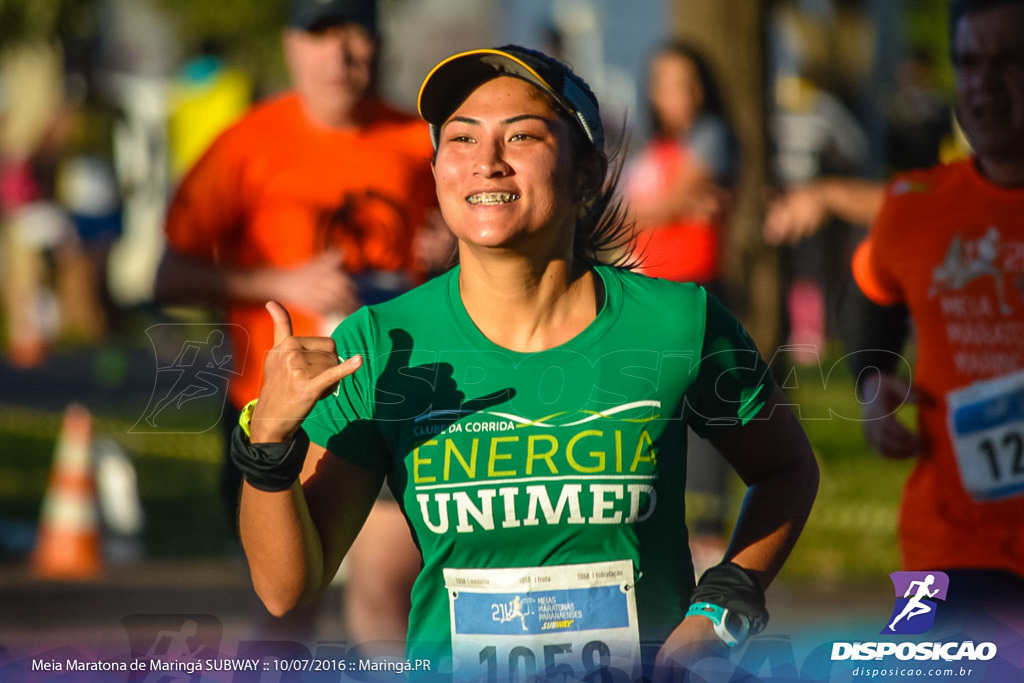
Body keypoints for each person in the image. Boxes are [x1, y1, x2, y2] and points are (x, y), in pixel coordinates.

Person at [233, 44, 819, 680]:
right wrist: (269, 441)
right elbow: (288, 588)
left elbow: (786, 470)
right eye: (460, 139)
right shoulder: (381, 346)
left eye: (522, 137)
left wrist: (722, 608)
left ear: (587, 175)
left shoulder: (678, 322)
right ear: (435, 171)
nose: (486, 162)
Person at [153, 0, 435, 650]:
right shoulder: (247, 143)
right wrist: (278, 282)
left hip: (390, 400)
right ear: (291, 48)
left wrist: (449, 253)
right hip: (276, 406)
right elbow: (168, 275)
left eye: (355, 34)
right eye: (321, 35)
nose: (340, 54)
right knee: (287, 607)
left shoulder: (421, 141)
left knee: (385, 590)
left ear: (378, 45)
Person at [842, 0, 1024, 628]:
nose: (984, 84)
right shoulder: (915, 207)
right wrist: (873, 391)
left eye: (1008, 62)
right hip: (951, 545)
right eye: (969, 63)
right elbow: (869, 311)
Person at [623, 40, 740, 576]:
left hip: (696, 290)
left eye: (688, 83)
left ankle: (712, 537)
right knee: (651, 412)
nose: (679, 95)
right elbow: (621, 214)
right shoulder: (651, 151)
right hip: (645, 291)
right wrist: (656, 212)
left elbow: (636, 211)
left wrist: (651, 211)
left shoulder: (712, 136)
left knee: (707, 411)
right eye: (667, 84)